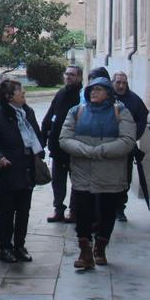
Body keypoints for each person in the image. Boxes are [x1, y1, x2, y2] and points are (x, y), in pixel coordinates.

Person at [60, 73, 137, 270]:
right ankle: (85, 251)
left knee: (107, 211)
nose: (94, 92)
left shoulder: (120, 112)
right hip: (83, 172)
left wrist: (102, 151)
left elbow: (128, 141)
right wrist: (86, 150)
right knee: (82, 211)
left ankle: (100, 248)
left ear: (108, 93)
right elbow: (65, 138)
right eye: (92, 89)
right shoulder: (77, 111)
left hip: (110, 173)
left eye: (99, 89)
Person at [0, 78, 45, 263]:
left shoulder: (27, 112)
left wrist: (38, 150)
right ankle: (5, 248)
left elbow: (37, 134)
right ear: (9, 96)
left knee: (24, 211)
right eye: (19, 90)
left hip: (27, 169)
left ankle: (19, 246)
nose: (23, 93)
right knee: (7, 212)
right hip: (7, 170)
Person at [41, 64, 84, 222]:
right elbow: (50, 114)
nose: (68, 76)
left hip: (74, 146)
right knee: (58, 181)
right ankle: (58, 209)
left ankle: (74, 210)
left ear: (79, 77)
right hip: (57, 146)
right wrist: (43, 135)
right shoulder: (61, 93)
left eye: (72, 74)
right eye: (67, 74)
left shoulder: (82, 95)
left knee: (76, 181)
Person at [111, 71, 150, 221]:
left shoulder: (134, 100)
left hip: (126, 148)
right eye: (118, 82)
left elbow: (142, 119)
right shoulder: (106, 98)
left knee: (124, 179)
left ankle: (120, 208)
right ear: (112, 82)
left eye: (124, 83)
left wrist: (132, 137)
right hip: (107, 147)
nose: (121, 86)